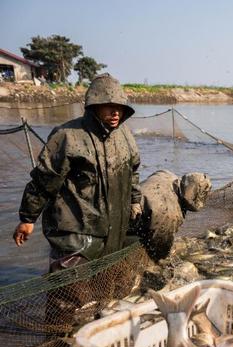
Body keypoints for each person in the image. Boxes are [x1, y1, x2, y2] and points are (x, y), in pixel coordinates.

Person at [13, 73, 141, 272]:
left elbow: (132, 173)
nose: (116, 113)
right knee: (70, 292)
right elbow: (44, 180)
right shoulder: (67, 136)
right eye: (109, 106)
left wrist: (135, 201)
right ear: (94, 106)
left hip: (115, 228)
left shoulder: (125, 136)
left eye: (121, 108)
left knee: (110, 284)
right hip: (75, 231)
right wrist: (27, 219)